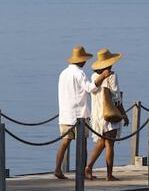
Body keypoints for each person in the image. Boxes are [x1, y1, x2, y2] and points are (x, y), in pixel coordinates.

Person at [55, 46, 111, 179]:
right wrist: (102, 76)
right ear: (81, 60)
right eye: (84, 59)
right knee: (83, 144)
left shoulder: (63, 73)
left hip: (65, 113)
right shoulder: (79, 73)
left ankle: (57, 169)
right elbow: (90, 88)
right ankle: (82, 171)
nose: (85, 62)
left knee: (65, 142)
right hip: (79, 114)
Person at [86, 48, 129, 181]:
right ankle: (109, 175)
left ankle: (88, 167)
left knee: (101, 142)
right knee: (110, 144)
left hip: (97, 114)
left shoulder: (94, 77)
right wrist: (124, 114)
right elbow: (116, 98)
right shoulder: (112, 76)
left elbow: (92, 91)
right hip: (109, 114)